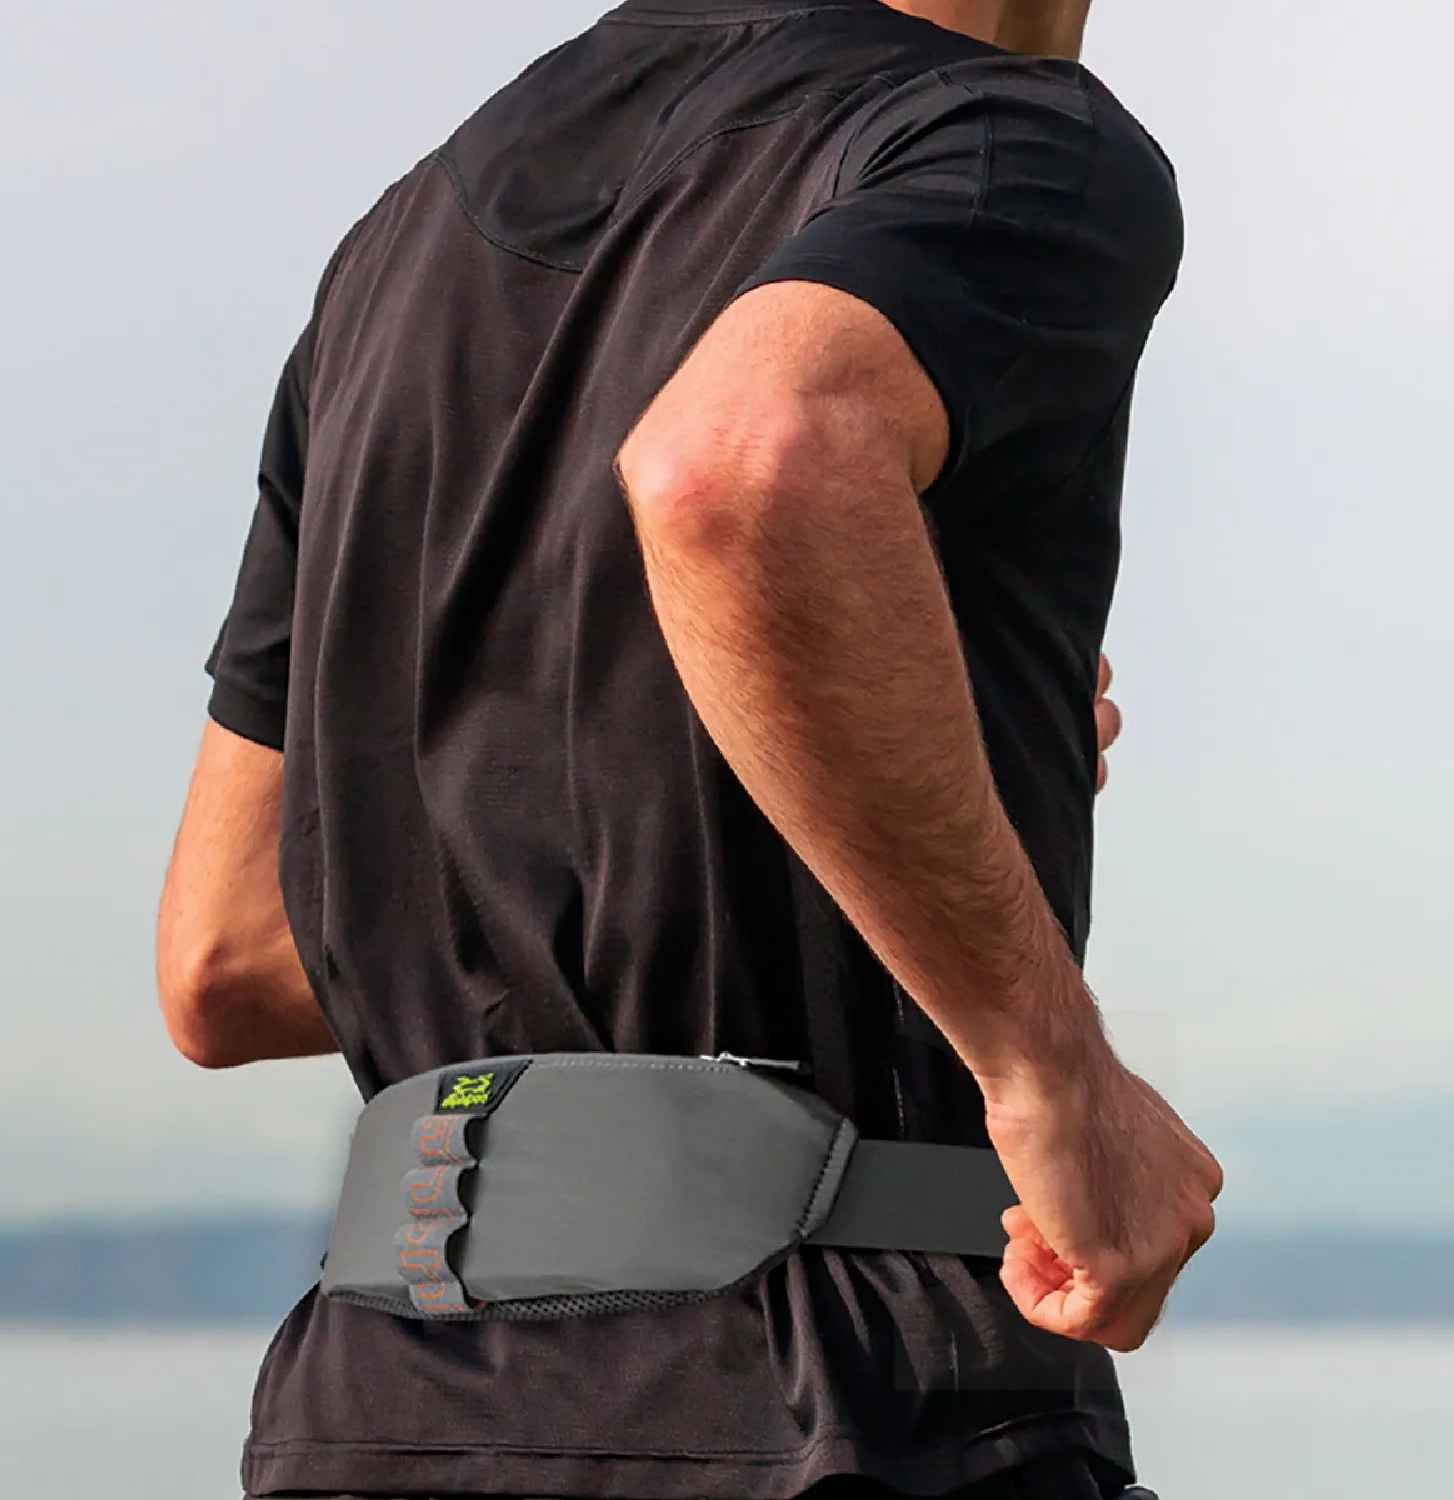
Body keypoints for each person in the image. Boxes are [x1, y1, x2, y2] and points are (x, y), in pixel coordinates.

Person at [156, 0, 1222, 1496]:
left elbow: (229, 952)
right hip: (821, 1392)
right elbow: (745, 466)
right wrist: (1054, 1073)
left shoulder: (400, 247)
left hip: (378, 1409)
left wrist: (889, 764)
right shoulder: (1005, 139)